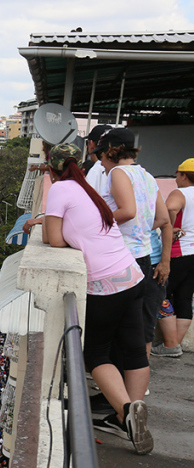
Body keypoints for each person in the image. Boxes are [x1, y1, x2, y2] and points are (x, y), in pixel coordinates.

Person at [40, 143, 153, 454]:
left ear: (52, 169)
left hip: (104, 285)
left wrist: (46, 222)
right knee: (134, 352)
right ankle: (127, 415)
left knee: (96, 355)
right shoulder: (87, 187)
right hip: (132, 274)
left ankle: (127, 410)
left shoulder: (60, 189)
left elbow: (55, 240)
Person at [92, 127, 172, 359]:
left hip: (122, 257)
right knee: (136, 327)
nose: (101, 164)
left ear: (109, 152)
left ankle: (116, 386)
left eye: (101, 156)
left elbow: (127, 211)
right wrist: (140, 230)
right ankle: (133, 386)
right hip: (144, 255)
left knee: (114, 325)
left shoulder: (118, 173)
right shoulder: (146, 175)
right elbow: (163, 219)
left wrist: (94, 222)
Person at [154, 157, 194, 357]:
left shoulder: (181, 192)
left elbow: (170, 208)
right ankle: (174, 345)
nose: (176, 178)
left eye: (177, 174)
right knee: (185, 297)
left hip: (180, 251)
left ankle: (170, 345)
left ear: (184, 175)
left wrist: (169, 227)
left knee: (161, 293)